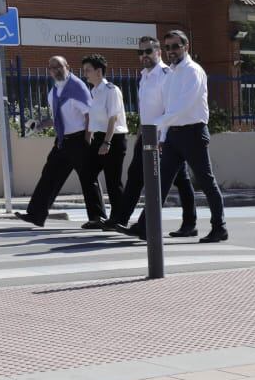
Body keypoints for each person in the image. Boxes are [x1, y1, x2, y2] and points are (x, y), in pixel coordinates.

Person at [139, 30, 226, 242]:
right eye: (167, 47)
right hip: (174, 135)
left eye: (175, 46)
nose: (171, 51)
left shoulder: (193, 71)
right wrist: (162, 136)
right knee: (160, 182)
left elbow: (182, 107)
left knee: (206, 181)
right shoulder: (172, 74)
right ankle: (144, 227)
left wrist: (155, 124)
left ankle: (219, 228)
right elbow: (169, 108)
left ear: (186, 47)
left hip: (193, 133)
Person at [118, 37, 198, 235]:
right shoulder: (144, 76)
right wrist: (139, 134)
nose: (144, 56)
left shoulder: (165, 74)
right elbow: (146, 109)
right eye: (140, 52)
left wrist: (164, 138)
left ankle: (182, 224)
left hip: (163, 136)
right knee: (138, 175)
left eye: (148, 51)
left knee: (174, 181)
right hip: (146, 135)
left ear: (158, 52)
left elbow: (169, 108)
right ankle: (121, 219)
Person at [16, 55, 107, 228]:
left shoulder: (76, 87)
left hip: (79, 139)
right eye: (52, 68)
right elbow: (58, 118)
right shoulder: (55, 91)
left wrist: (87, 139)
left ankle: (97, 218)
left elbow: (89, 114)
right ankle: (36, 214)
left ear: (67, 66)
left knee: (88, 178)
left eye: (59, 66)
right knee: (49, 175)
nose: (56, 70)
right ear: (49, 71)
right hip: (63, 141)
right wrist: (40, 125)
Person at [81, 55, 128, 231]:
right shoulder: (93, 91)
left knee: (113, 181)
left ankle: (119, 218)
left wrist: (106, 143)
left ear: (99, 71)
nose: (85, 74)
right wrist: (89, 137)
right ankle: (97, 216)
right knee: (87, 174)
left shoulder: (111, 90)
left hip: (113, 139)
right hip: (99, 138)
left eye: (88, 70)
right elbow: (93, 118)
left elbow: (113, 117)